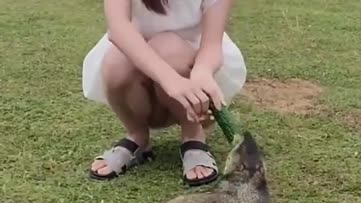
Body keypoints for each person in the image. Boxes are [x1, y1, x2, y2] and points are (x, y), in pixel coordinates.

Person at [81, 0, 247, 186]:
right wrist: (170, 80)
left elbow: (212, 45)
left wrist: (202, 72)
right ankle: (137, 136)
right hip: (139, 63)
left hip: (187, 62)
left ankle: (193, 135)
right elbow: (118, 30)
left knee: (168, 46)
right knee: (115, 63)